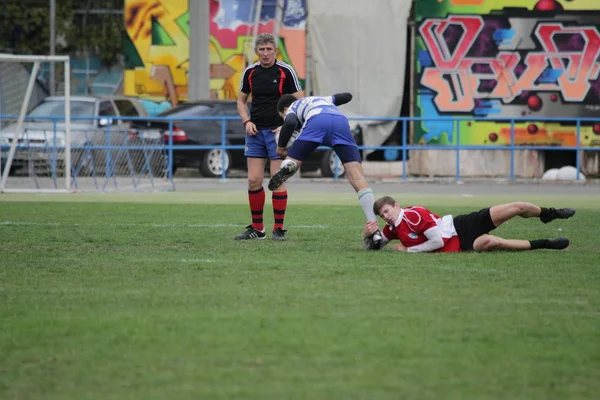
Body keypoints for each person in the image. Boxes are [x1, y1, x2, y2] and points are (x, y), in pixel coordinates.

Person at [267, 93, 383, 248]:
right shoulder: (323, 99)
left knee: (293, 159)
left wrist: (280, 147)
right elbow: (347, 96)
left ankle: (288, 165)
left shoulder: (293, 107)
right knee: (357, 177)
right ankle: (374, 227)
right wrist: (334, 98)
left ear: (285, 108)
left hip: (317, 122)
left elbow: (290, 121)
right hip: (340, 121)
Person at [235, 33, 303, 241]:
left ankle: (279, 229)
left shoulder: (285, 71)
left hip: (277, 135)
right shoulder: (250, 72)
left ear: (275, 50)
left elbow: (300, 101)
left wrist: (285, 124)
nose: (265, 53)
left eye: (269, 49)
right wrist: (247, 121)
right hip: (255, 133)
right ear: (257, 51)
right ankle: (258, 229)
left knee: (277, 180)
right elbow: (241, 101)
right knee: (253, 180)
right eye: (262, 49)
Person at [362, 195, 575, 252]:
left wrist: (408, 251)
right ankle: (547, 243)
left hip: (462, 226)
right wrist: (368, 236)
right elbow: (376, 247)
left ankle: (548, 213)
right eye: (382, 215)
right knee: (494, 243)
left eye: (387, 211)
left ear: (396, 206)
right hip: (460, 246)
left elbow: (436, 242)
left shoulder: (413, 215)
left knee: (516, 208)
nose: (386, 217)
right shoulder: (392, 228)